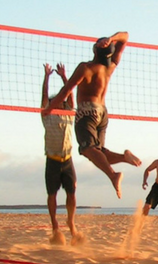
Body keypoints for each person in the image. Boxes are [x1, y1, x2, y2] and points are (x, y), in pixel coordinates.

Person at [43, 32, 141, 199]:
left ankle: (113, 175)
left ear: (95, 50)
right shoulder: (110, 67)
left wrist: (49, 108)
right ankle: (124, 157)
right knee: (99, 153)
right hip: (102, 112)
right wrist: (112, 39)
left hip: (87, 111)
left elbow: (66, 91)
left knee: (88, 149)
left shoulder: (85, 68)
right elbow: (125, 36)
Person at [40, 62, 83, 245]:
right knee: (52, 195)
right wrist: (47, 77)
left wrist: (65, 77)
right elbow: (44, 97)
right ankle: (55, 226)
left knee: (72, 194)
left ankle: (71, 223)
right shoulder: (46, 114)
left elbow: (71, 97)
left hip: (67, 160)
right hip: (52, 160)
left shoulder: (68, 114)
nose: (58, 102)